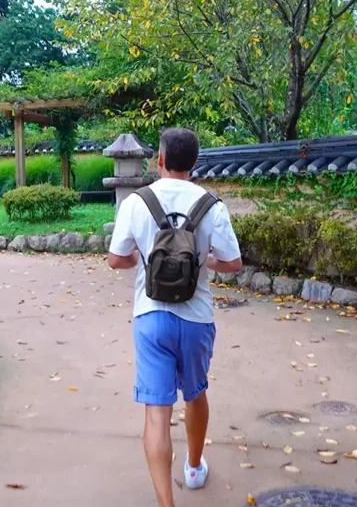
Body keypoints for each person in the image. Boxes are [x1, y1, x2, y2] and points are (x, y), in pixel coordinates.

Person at [107, 128, 242, 507]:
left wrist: (142, 260)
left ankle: (166, 503)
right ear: (195, 162)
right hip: (196, 318)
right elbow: (232, 263)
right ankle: (194, 468)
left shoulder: (137, 202)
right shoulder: (211, 205)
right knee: (195, 394)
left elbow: (116, 259)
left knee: (156, 413)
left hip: (151, 316)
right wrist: (204, 261)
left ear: (160, 160)